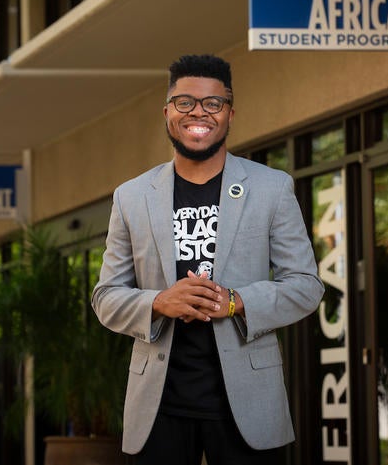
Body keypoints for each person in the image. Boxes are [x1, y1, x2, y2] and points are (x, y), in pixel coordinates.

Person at [91, 54, 324, 465]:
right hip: (158, 406)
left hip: (247, 403)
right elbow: (106, 296)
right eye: (185, 102)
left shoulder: (272, 189)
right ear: (167, 113)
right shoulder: (131, 196)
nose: (198, 112)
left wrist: (235, 302)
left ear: (230, 114)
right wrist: (159, 302)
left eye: (212, 103)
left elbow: (305, 285)